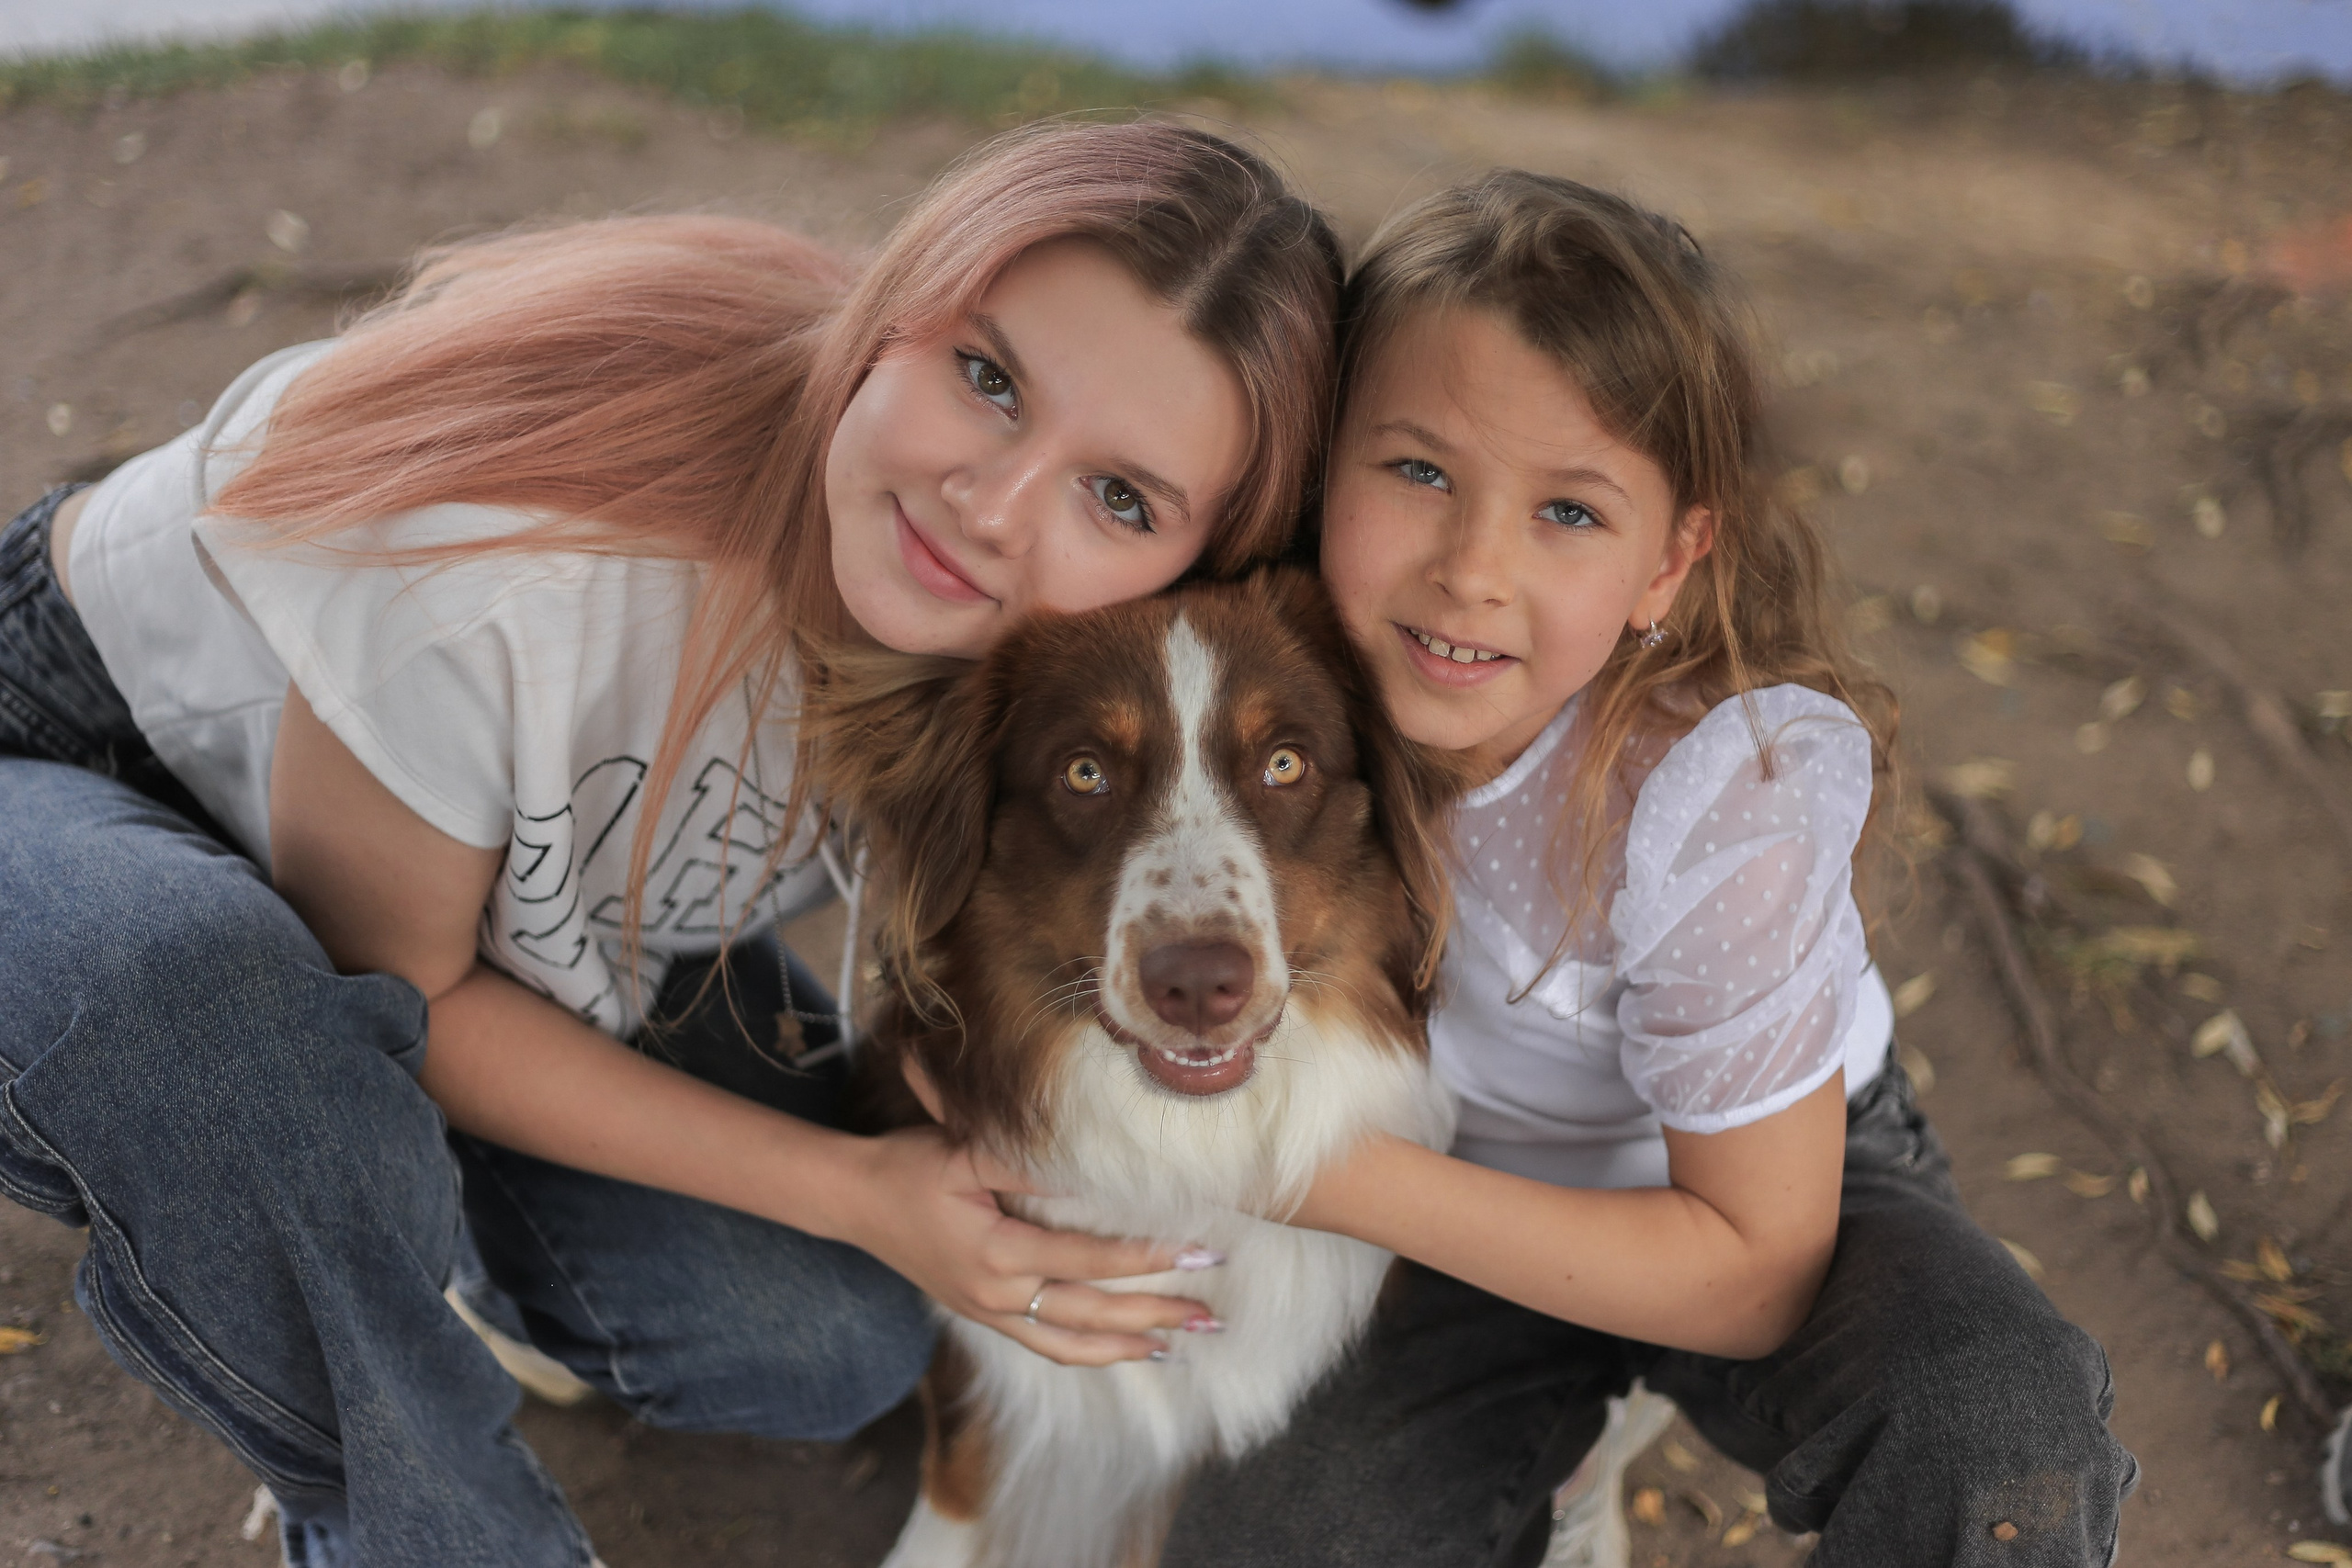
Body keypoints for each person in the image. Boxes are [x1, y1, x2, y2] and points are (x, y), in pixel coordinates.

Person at [0, 119, 1340, 1566]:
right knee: (218, 1028)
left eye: (1121, 496)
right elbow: (396, 1000)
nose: (998, 507)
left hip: (502, 911)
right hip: (84, 756)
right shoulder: (521, 560)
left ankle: (403, 1239)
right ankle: (414, 1505)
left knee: (826, 1333)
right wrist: (851, 1184)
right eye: (990, 378)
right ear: (902, 310)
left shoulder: (1026, 650)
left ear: (1188, 571)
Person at [1159, 171, 2138, 1567]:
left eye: (1569, 513)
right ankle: (1548, 1458)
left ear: (1670, 566)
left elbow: (1752, 1274)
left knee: (1992, 1425)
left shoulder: (1711, 794)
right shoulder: (1249, 683)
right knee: (1279, 1544)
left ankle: (1586, 1418)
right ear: (1324, 472)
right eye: (1420, 471)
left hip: (1775, 1198)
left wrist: (1297, 1168)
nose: (1471, 569)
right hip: (1450, 1189)